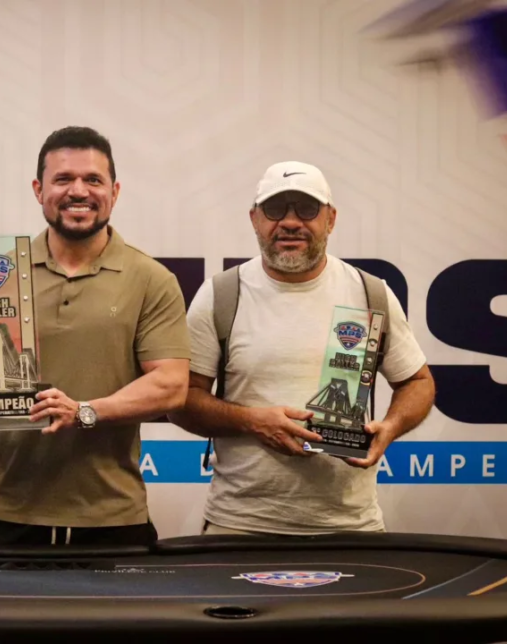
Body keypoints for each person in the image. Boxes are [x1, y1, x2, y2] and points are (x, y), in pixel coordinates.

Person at [0, 126, 191, 547]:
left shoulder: (151, 279)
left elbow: (172, 385)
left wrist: (85, 411)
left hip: (112, 517)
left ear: (114, 191)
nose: (78, 191)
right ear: (39, 190)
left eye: (93, 179)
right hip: (6, 512)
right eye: (63, 179)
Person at [169, 161, 436, 536]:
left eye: (307, 209)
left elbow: (418, 382)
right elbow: (181, 400)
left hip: (351, 526)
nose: (290, 222)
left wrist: (390, 427)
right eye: (275, 209)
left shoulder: (370, 292)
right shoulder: (221, 294)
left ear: (331, 219)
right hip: (238, 526)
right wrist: (251, 421)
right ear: (254, 219)